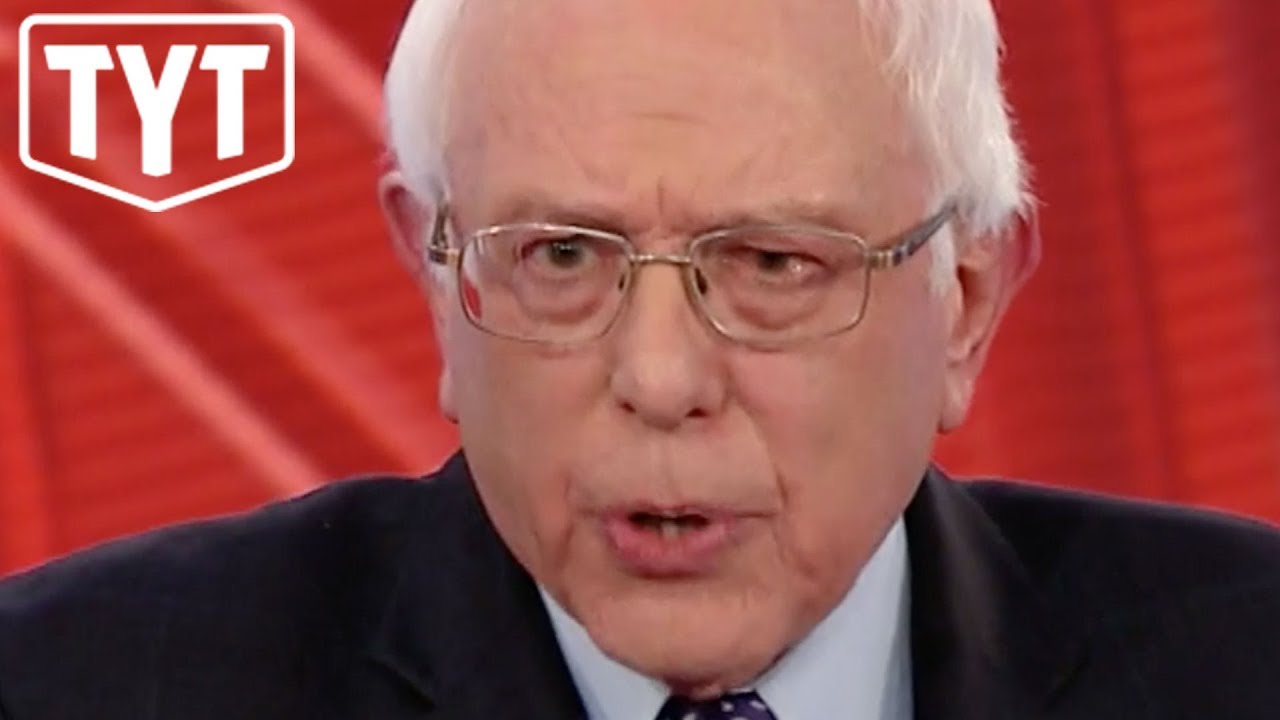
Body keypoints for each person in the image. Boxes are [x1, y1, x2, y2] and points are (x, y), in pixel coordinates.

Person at [2, 0, 1279, 718]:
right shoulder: (73, 685)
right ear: (439, 281)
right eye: (560, 256)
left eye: (771, 263)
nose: (660, 379)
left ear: (963, 302)